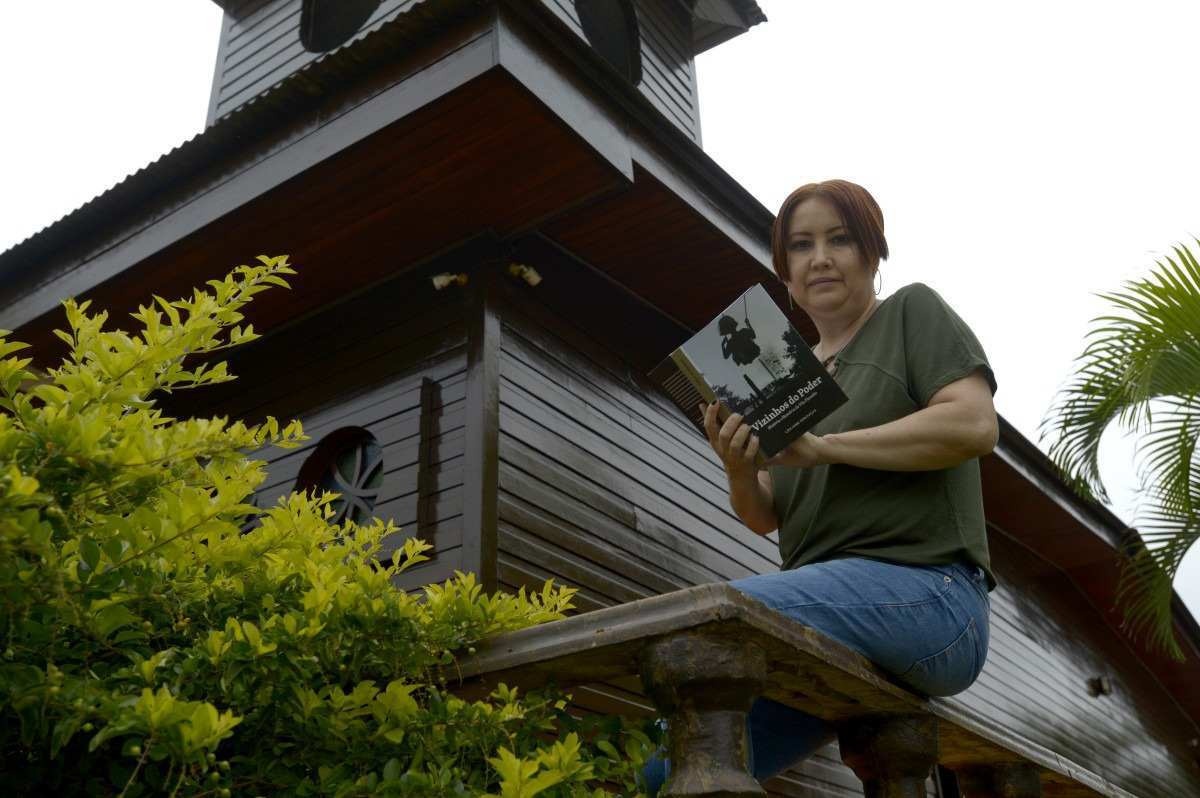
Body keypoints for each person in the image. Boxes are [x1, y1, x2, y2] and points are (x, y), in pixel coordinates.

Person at [642, 180, 998, 793]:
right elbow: (767, 515)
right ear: (785, 274)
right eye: (801, 246)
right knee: (665, 764)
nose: (821, 258)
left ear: (872, 254)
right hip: (833, 624)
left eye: (840, 239)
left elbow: (973, 423)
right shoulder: (782, 367)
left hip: (935, 598)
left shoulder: (910, 312)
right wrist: (737, 467)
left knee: (714, 616)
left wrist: (822, 448)